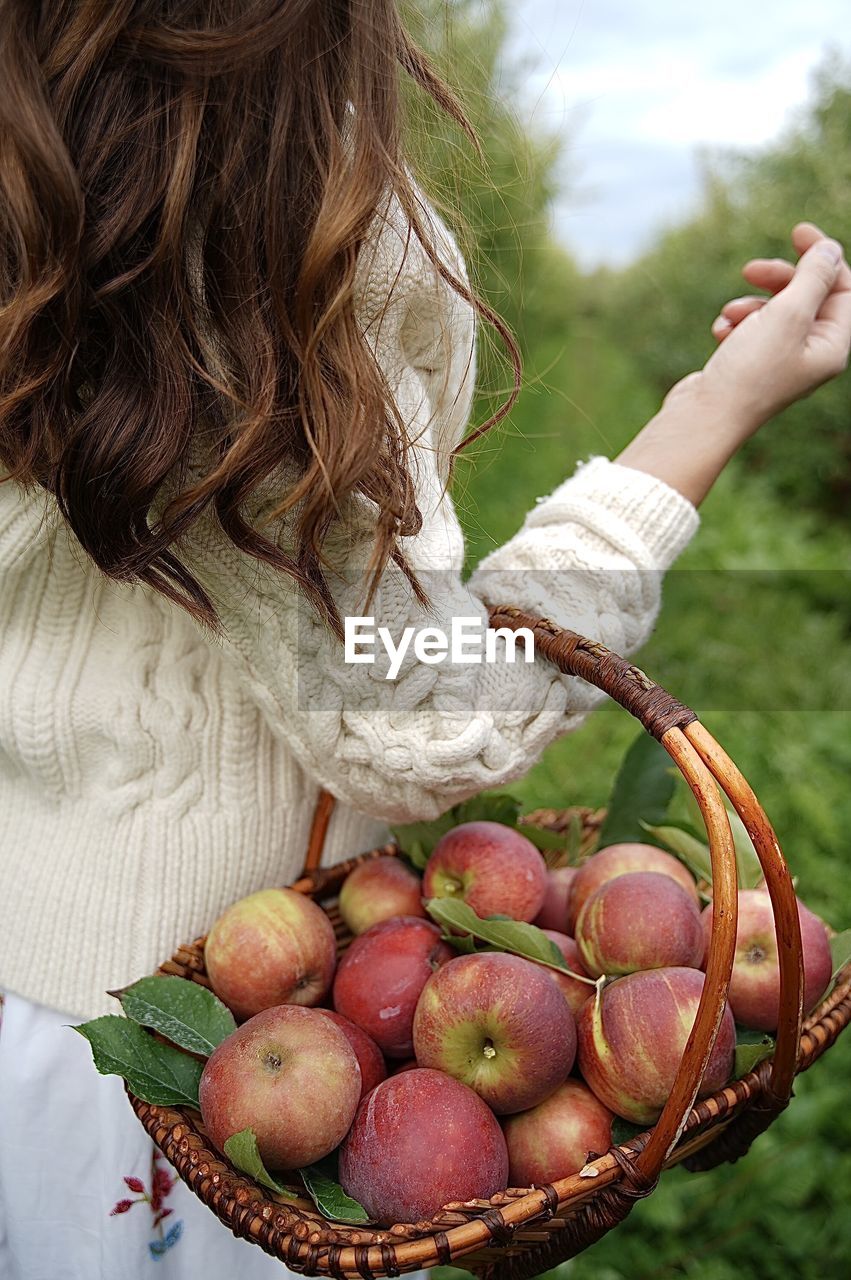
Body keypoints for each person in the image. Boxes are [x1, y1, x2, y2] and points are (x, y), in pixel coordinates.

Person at [1, 4, 849, 1279]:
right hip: (236, 1068)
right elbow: (424, 716)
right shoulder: (289, 219)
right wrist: (703, 416)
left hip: (32, 1013)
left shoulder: (33, 197)